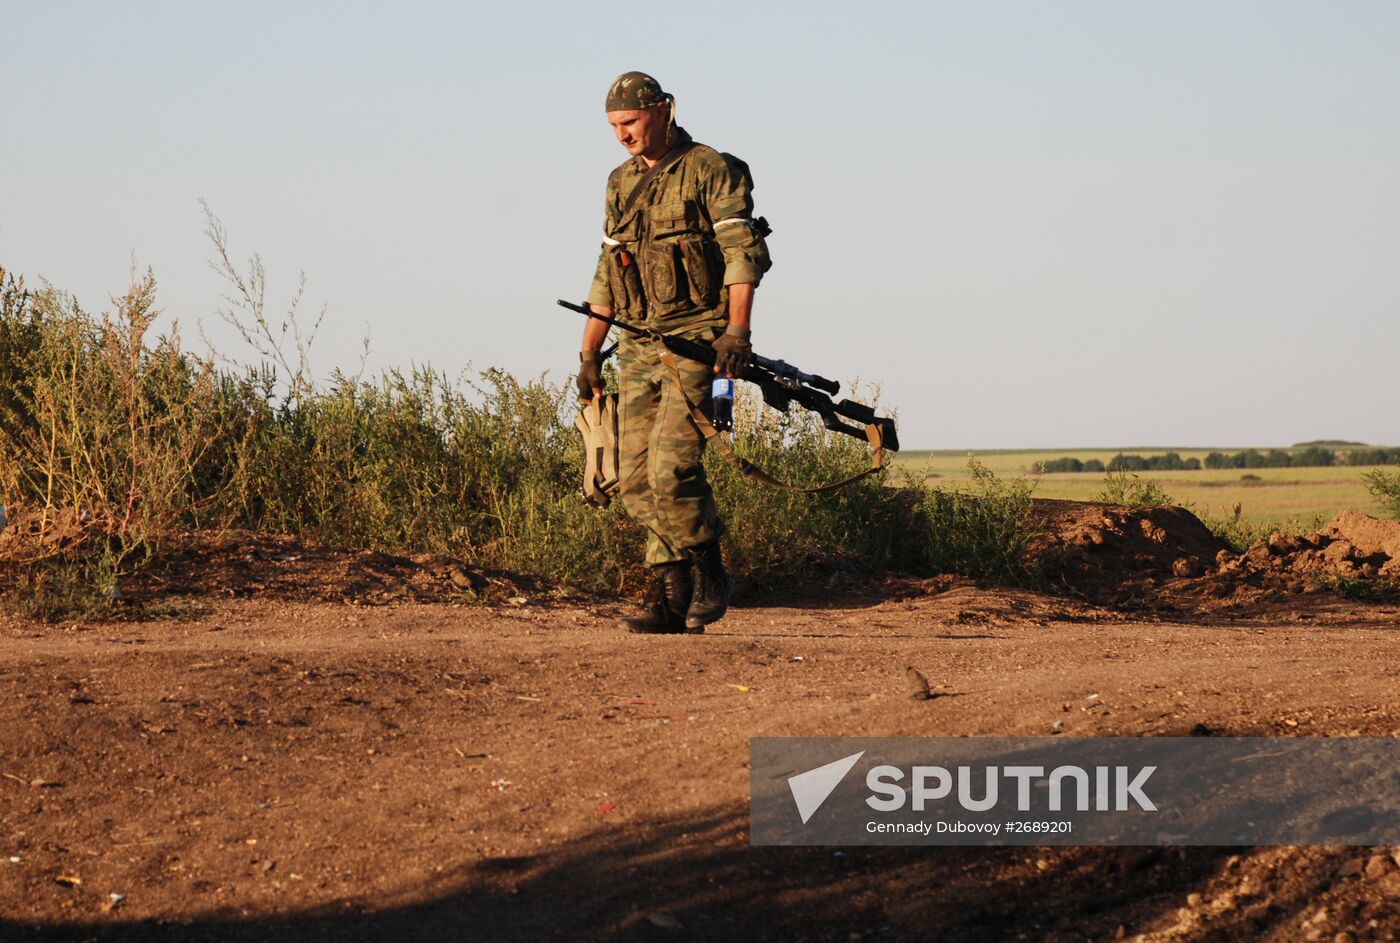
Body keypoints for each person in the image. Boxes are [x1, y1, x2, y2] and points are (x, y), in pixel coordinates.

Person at [576, 71, 771, 634]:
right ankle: (671, 594)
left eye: (632, 122)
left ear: (664, 110)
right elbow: (607, 273)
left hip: (696, 342)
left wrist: (736, 334)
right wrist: (588, 354)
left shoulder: (710, 168)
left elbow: (741, 254)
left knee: (672, 470)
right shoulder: (619, 183)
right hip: (638, 345)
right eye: (614, 126)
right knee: (632, 479)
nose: (623, 135)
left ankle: (711, 571)